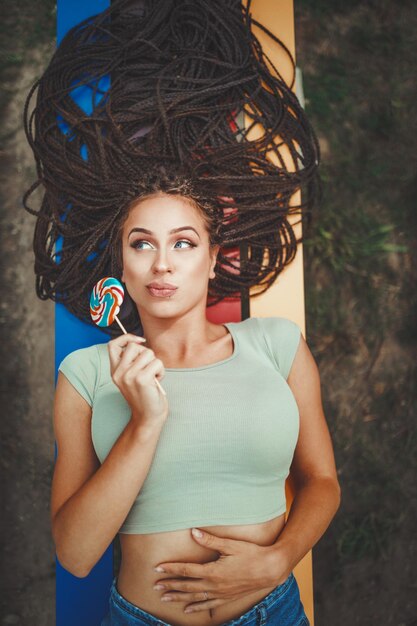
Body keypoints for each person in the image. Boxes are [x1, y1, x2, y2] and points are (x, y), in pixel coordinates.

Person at [52, 182, 341, 626]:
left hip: (272, 612)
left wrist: (279, 559)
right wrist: (145, 422)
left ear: (211, 259)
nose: (162, 263)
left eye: (183, 243)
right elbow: (75, 555)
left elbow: (321, 481)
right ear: (122, 270)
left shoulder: (277, 345)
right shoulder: (86, 373)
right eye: (142, 244)